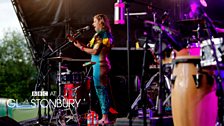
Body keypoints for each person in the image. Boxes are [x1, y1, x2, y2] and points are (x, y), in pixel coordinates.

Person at [69, 14, 113, 124]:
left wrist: (81, 47)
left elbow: (94, 51)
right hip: (98, 65)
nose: (93, 24)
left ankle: (105, 118)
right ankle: (105, 116)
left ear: (100, 22)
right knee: (100, 91)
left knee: (101, 91)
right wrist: (76, 42)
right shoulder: (98, 35)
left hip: (100, 65)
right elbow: (89, 47)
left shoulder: (102, 35)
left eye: (94, 21)